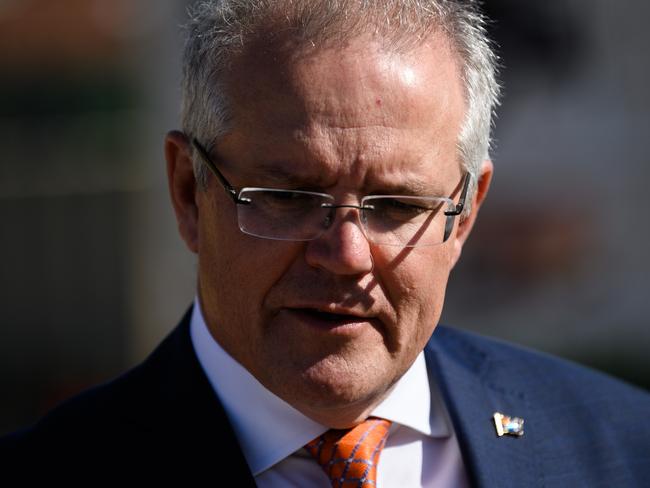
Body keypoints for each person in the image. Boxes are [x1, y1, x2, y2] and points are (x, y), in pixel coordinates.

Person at [2, 0, 649, 485]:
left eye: (397, 206)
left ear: (466, 213)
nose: (345, 254)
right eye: (288, 198)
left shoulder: (617, 447)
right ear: (186, 191)